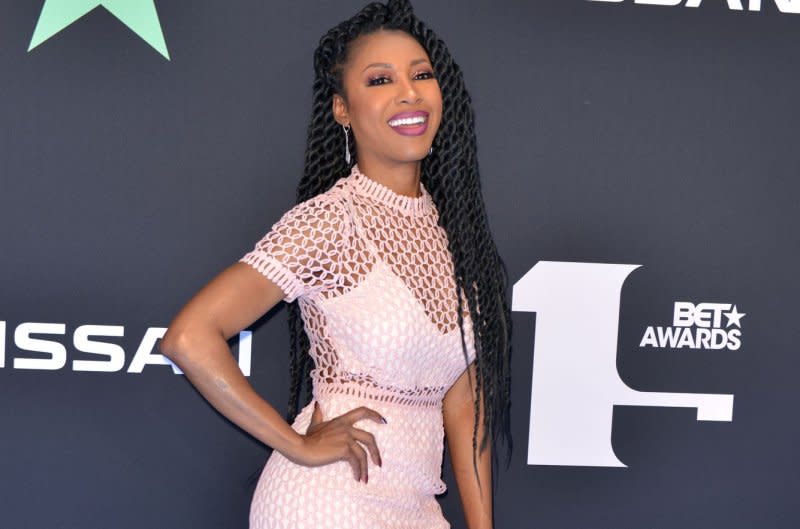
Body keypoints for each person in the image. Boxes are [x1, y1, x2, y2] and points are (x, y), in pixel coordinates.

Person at [159, 1, 511, 527]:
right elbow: (188, 338)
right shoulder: (331, 222)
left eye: (421, 75)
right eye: (379, 80)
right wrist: (297, 445)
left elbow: (462, 400)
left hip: (416, 505)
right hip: (328, 502)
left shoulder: (456, 233)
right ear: (342, 109)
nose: (408, 92)